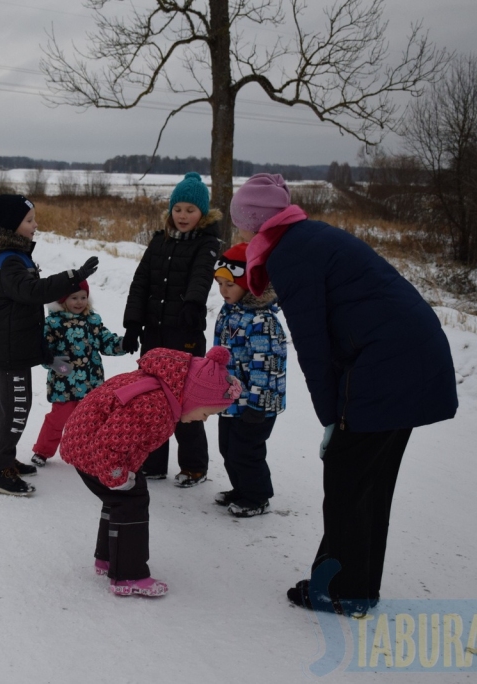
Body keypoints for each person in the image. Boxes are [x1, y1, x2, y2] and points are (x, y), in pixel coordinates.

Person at [229, 173, 458, 616]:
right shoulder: (307, 238)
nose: (238, 231)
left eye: (240, 222)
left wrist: (332, 418)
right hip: (408, 357)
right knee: (368, 481)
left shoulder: (291, 254)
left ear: (255, 223)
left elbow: (313, 345)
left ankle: (342, 590)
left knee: (348, 481)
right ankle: (354, 586)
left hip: (386, 365)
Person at [60, 346, 242, 597]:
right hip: (94, 453)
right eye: (207, 412)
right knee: (131, 500)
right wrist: (116, 477)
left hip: (90, 447)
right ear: (194, 397)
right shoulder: (154, 404)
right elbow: (110, 443)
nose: (205, 419)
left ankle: (107, 559)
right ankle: (128, 575)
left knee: (119, 500)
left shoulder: (162, 391)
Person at [0, 193, 99, 496]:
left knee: (7, 407)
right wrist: (74, 277)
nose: (36, 225)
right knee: (16, 408)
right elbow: (32, 291)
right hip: (9, 349)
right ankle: (0, 471)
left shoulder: (12, 255)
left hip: (14, 344)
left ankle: (3, 458)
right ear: (11, 225)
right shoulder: (8, 260)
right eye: (29, 220)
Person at [122, 172, 223, 487]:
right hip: (154, 335)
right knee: (151, 399)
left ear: (202, 214)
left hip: (184, 334)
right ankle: (152, 464)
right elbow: (141, 283)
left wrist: (193, 304)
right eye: (178, 209)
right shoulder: (158, 241)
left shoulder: (207, 243)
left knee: (186, 401)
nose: (183, 216)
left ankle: (194, 466)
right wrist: (132, 324)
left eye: (190, 210)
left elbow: (202, 274)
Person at [211, 242, 287, 518]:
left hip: (257, 403)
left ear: (249, 282)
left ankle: (257, 497)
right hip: (231, 399)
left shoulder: (262, 322)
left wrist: (257, 405)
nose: (223, 291)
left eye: (229, 285)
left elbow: (266, 368)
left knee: (247, 451)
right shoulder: (229, 312)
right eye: (219, 284)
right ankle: (241, 489)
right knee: (228, 449)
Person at [30, 280, 126, 467]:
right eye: (74, 298)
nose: (79, 302)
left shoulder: (92, 320)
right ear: (63, 300)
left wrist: (122, 344)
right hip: (64, 382)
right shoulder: (53, 323)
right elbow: (42, 350)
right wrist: (51, 361)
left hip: (91, 381)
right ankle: (42, 451)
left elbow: (105, 341)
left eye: (83, 297)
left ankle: (88, 453)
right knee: (57, 419)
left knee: (90, 421)